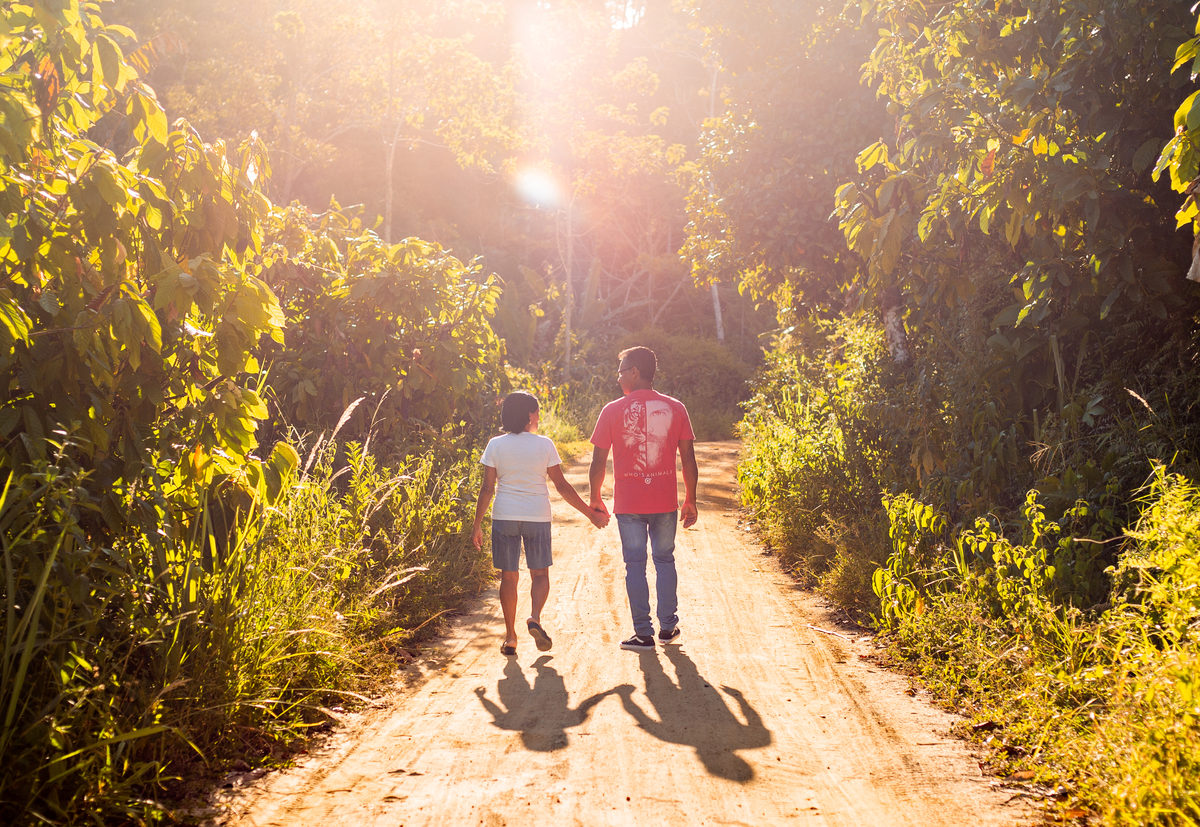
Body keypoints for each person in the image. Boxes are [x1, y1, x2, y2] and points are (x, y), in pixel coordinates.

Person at [472, 391, 609, 656]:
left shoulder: (495, 445)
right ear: (528, 416)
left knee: (509, 578)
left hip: (505, 517)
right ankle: (534, 617)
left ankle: (511, 637)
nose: (537, 416)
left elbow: (487, 489)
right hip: (537, 517)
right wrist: (590, 514)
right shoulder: (544, 444)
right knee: (540, 574)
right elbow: (562, 486)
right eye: (535, 412)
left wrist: (477, 524)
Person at [588, 346, 698, 651]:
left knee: (634, 563)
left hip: (630, 505)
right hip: (665, 503)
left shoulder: (612, 410)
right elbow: (688, 459)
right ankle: (667, 628)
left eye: (622, 370)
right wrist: (690, 498)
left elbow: (598, 462)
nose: (619, 376)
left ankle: (643, 634)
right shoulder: (676, 408)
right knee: (664, 559)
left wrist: (595, 498)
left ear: (635, 372)